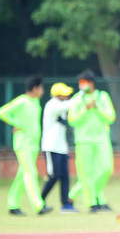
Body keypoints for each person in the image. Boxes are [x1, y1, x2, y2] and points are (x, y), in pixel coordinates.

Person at [0, 75, 49, 216]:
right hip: (22, 144)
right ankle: (39, 205)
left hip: (33, 145)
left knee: (22, 174)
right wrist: (15, 124)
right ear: (35, 88)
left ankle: (13, 204)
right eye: (41, 88)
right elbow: (1, 112)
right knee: (30, 172)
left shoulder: (35, 102)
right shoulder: (22, 101)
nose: (42, 91)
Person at [68, 70, 116, 212]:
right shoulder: (77, 99)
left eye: (85, 82)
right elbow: (72, 120)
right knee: (86, 173)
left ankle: (88, 195)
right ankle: (92, 203)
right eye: (80, 83)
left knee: (106, 168)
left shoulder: (102, 97)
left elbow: (111, 117)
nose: (82, 85)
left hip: (101, 139)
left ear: (91, 83)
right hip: (83, 141)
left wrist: (97, 107)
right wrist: (85, 109)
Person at [40, 82, 78, 213]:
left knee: (65, 176)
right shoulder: (52, 105)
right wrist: (81, 96)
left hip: (61, 147)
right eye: (65, 94)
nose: (67, 96)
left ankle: (66, 204)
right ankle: (40, 200)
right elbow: (69, 105)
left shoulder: (61, 107)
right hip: (51, 147)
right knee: (54, 175)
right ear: (57, 95)